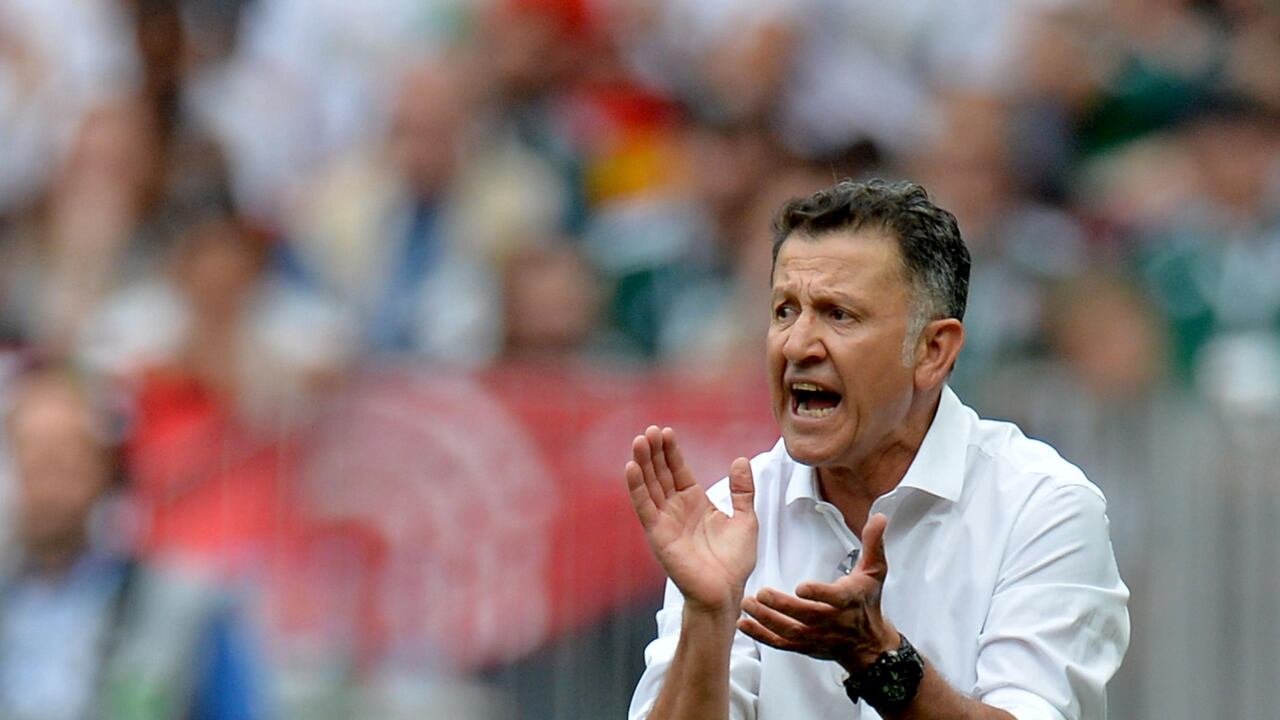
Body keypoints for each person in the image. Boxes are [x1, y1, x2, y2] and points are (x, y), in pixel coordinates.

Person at [625, 179, 1129, 720]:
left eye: (838, 314)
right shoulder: (732, 519)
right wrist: (708, 615)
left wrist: (879, 659)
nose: (797, 344)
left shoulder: (1041, 506)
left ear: (932, 351)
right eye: (784, 311)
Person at [0, 362, 266, 720]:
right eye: (28, 460)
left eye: (63, 462)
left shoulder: (177, 606)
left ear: (109, 470)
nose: (45, 486)